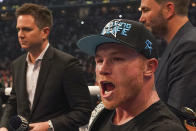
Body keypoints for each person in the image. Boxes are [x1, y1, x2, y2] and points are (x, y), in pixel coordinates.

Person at [77, 19, 187, 131]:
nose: (102, 69)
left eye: (117, 59)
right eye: (99, 60)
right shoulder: (103, 113)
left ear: (149, 67)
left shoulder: (165, 128)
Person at [0, 3, 92, 131]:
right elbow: (13, 101)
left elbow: (84, 111)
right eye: (18, 29)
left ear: (45, 32)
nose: (20, 34)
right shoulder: (18, 65)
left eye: (26, 29)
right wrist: (4, 126)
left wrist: (49, 125)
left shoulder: (67, 64)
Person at [139, 0, 196, 112]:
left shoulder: (189, 46)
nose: (141, 19)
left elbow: (178, 114)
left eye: (146, 10)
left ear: (169, 10)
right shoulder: (179, 44)